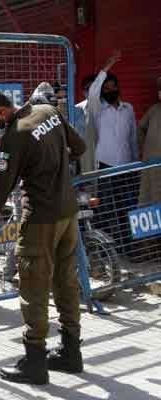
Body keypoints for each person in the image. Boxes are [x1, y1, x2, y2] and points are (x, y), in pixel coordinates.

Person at [0, 89, 87, 385]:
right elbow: (80, 147)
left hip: (40, 219)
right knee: (66, 281)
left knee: (33, 286)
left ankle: (35, 361)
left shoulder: (16, 134)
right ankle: (71, 352)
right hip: (67, 213)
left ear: (0, 112)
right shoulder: (49, 112)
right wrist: (52, 160)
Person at [88, 51, 140, 257]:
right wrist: (105, 68)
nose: (110, 90)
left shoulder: (128, 109)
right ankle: (109, 252)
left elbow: (133, 138)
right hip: (106, 167)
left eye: (113, 87)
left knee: (128, 208)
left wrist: (137, 164)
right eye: (106, 88)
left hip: (128, 167)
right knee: (108, 209)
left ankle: (129, 248)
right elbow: (92, 92)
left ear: (118, 88)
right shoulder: (99, 109)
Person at [138, 76, 161, 206]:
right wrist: (143, 149)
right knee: (149, 198)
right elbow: (140, 128)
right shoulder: (154, 110)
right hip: (151, 166)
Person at [73, 74, 98, 173]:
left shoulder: (108, 109)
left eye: (94, 88)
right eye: (88, 89)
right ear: (83, 92)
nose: (91, 92)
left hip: (105, 158)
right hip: (85, 158)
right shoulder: (76, 110)